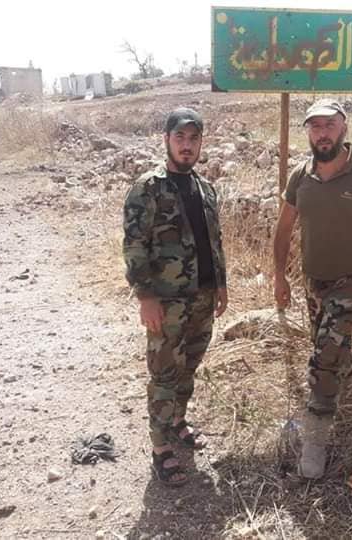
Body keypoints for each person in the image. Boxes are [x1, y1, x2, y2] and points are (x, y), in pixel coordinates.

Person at [273, 99, 352, 479]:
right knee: (332, 347)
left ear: (344, 127)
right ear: (308, 133)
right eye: (315, 126)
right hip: (313, 280)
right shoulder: (301, 175)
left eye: (329, 125)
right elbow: (284, 228)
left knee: (324, 356)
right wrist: (279, 276)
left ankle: (315, 439)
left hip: (350, 282)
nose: (322, 133)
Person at [123, 107, 228, 487]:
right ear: (166, 140)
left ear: (201, 143)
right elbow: (134, 244)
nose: (187, 145)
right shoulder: (148, 188)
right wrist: (145, 296)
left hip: (202, 297)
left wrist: (221, 284)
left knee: (189, 367)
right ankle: (161, 447)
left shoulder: (205, 188)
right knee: (164, 372)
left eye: (193, 138)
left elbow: (214, 241)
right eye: (179, 137)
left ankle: (178, 421)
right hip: (166, 302)